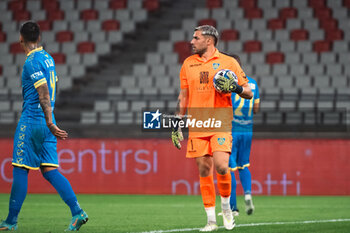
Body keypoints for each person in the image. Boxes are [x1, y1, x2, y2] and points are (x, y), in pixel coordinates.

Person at [0, 21, 88, 231]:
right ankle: (77, 212)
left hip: (33, 121)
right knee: (49, 170)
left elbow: (44, 94)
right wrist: (51, 120)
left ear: (20, 38)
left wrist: (48, 121)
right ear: (38, 38)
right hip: (48, 120)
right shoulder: (48, 58)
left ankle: (11, 221)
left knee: (20, 169)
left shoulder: (31, 62)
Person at [171, 25, 253, 232]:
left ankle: (226, 208)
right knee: (204, 170)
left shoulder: (228, 62)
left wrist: (233, 88)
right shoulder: (188, 64)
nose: (192, 41)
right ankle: (210, 220)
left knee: (222, 166)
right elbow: (183, 96)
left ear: (209, 41)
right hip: (197, 124)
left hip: (220, 123)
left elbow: (248, 92)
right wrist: (176, 123)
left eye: (196, 38)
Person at [228, 54, 260, 216]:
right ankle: (247, 193)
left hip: (232, 131)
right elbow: (256, 109)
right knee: (244, 165)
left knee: (229, 168)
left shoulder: (229, 84)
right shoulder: (253, 83)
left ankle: (233, 208)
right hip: (248, 130)